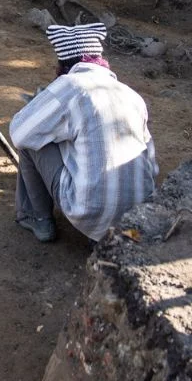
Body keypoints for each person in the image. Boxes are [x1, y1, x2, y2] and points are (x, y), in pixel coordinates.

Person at [9, 23, 159, 242]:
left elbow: (19, 133)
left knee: (31, 141)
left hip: (89, 212)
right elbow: (151, 164)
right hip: (137, 218)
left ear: (63, 64)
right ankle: (104, 232)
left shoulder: (70, 84)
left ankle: (37, 218)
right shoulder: (131, 95)